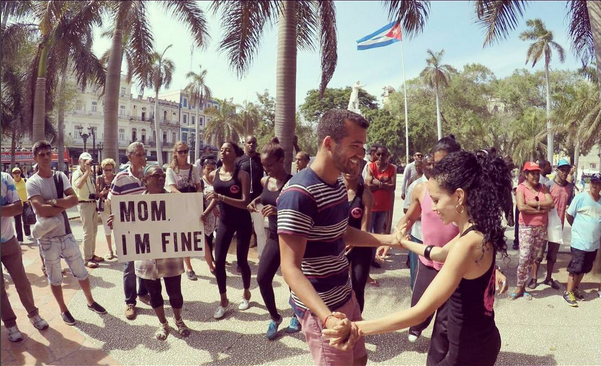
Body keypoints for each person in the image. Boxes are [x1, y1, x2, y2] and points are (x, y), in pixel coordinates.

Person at [325, 150, 512, 366]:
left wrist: (356, 328)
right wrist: (401, 242)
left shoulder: (466, 244)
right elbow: (438, 253)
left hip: (467, 353)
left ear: (459, 196)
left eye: (436, 200)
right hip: (484, 340)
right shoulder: (475, 232)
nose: (432, 208)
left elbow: (419, 313)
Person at [277, 109, 400, 366]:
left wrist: (389, 240)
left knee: (360, 359)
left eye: (363, 146)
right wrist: (327, 318)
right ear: (329, 143)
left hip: (345, 295)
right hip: (323, 310)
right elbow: (289, 268)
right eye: (355, 145)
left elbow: (341, 232)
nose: (362, 154)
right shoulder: (298, 193)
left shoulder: (335, 185)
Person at [378, 135, 462, 347]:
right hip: (428, 262)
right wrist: (390, 240)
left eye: (445, 163)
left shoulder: (463, 193)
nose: (439, 168)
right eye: (436, 163)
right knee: (419, 308)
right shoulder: (421, 189)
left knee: (445, 318)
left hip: (454, 264)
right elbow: (408, 218)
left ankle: (439, 349)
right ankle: (417, 325)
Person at [27, 140, 107, 325]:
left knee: (81, 272)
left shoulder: (60, 176)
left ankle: (90, 301)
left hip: (66, 234)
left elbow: (74, 200)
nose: (46, 157)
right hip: (47, 240)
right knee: (55, 277)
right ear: (35, 158)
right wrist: (59, 204)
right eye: (41, 155)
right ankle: (63, 309)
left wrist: (52, 202)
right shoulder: (33, 182)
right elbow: (40, 210)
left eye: (48, 153)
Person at [247, 137, 298, 340]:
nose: (266, 169)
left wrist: (278, 211)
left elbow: (300, 212)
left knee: (293, 280)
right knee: (262, 278)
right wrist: (255, 200)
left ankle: (297, 314)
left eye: (269, 164)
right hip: (274, 237)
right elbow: (265, 196)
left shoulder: (292, 182)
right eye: (263, 165)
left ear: (281, 160)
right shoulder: (265, 181)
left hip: (292, 239)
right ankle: (275, 317)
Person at [133, 165, 191, 339]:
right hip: (147, 257)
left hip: (170, 255)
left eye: (163, 176)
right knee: (154, 293)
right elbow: (128, 229)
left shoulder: (174, 201)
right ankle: (162, 323)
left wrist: (197, 219)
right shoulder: (134, 204)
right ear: (145, 180)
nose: (161, 179)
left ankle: (178, 320)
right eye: (156, 175)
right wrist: (118, 223)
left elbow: (186, 223)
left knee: (175, 292)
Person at [203, 141, 252, 319]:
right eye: (222, 149)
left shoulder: (242, 175)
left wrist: (221, 196)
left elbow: (245, 202)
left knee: (241, 261)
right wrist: (205, 213)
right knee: (219, 261)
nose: (223, 152)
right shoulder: (213, 174)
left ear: (235, 154)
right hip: (224, 221)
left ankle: (246, 292)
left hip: (242, 221)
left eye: (228, 150)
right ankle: (224, 301)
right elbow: (215, 199)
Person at [2, 171, 49, 342]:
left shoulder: (5, 178)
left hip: (9, 240)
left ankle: (34, 314)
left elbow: (17, 207)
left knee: (22, 282)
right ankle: (10, 324)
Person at [107, 142, 150, 320]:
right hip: (127, 230)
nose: (142, 158)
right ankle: (130, 302)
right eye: (139, 155)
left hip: (146, 228)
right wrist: (113, 217)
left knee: (147, 263)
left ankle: (143, 292)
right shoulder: (121, 178)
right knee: (129, 266)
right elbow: (111, 201)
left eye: (143, 154)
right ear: (130, 157)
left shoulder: (149, 176)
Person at [509, 162, 554, 300]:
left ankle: (524, 287)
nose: (535, 176)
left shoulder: (543, 188)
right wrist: (542, 209)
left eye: (537, 173)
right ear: (526, 174)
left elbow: (551, 203)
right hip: (526, 227)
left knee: (532, 258)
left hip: (541, 227)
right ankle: (519, 287)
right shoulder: (521, 189)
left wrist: (535, 204)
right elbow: (522, 208)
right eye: (532, 173)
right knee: (524, 257)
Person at [531, 159, 574, 290]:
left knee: (552, 255)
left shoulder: (570, 187)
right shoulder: (548, 185)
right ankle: (534, 278)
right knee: (538, 254)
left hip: (557, 226)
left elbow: (571, 205)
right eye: (562, 170)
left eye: (567, 170)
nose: (564, 172)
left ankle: (548, 278)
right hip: (544, 224)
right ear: (557, 170)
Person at [165, 141, 202, 281]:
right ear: (175, 153)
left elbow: (198, 185)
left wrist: (197, 197)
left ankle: (210, 264)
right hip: (179, 207)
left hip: (193, 206)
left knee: (194, 234)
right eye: (180, 151)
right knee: (183, 235)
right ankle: (188, 266)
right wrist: (186, 199)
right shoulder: (171, 170)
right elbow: (172, 188)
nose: (184, 154)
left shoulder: (193, 168)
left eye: (186, 151)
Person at [563, 173, 601, 306]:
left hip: (593, 243)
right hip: (579, 241)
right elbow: (569, 215)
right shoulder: (580, 198)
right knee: (575, 268)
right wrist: (578, 229)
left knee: (585, 268)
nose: (595, 185)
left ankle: (575, 289)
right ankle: (568, 292)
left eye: (598, 183)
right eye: (593, 182)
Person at [342, 157, 374, 312]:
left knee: (358, 286)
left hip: (361, 246)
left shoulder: (365, 194)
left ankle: (357, 323)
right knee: (338, 287)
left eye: (355, 167)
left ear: (360, 169)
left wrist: (354, 242)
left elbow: (365, 226)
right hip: (339, 245)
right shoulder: (334, 191)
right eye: (348, 166)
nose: (350, 170)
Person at [365, 146, 397, 272]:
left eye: (383, 154)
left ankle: (373, 258)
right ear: (375, 154)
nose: (380, 157)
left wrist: (377, 183)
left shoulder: (392, 168)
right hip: (372, 206)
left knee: (378, 234)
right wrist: (384, 185)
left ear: (387, 155)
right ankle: (366, 259)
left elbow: (393, 186)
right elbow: (368, 185)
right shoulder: (371, 167)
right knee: (368, 234)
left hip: (384, 206)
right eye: (378, 154)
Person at [72, 152, 103, 268]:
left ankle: (92, 254)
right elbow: (79, 185)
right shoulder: (77, 173)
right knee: (87, 232)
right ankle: (87, 258)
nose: (86, 163)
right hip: (84, 205)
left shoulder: (88, 174)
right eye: (84, 161)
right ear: (80, 161)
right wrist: (87, 171)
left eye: (88, 161)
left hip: (92, 204)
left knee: (94, 231)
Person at [402, 157, 428, 291]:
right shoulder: (415, 186)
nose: (432, 167)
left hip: (436, 240)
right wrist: (426, 216)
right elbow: (406, 210)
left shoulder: (446, 185)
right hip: (418, 235)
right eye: (429, 164)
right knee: (416, 273)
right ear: (423, 166)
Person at [199, 158, 219, 273]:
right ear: (203, 169)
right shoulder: (201, 182)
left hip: (220, 214)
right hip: (207, 214)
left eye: (213, 169)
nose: (210, 171)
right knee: (208, 238)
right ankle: (210, 261)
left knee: (219, 238)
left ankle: (218, 258)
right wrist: (210, 210)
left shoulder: (217, 180)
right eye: (208, 169)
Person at [96, 158, 117, 260]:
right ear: (102, 169)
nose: (108, 172)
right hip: (104, 205)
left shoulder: (116, 178)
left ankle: (119, 249)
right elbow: (97, 194)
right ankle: (110, 251)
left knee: (118, 227)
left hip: (115, 205)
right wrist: (103, 193)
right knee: (107, 228)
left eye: (110, 169)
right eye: (105, 169)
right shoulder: (99, 179)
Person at [11, 167, 33, 244]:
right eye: (15, 173)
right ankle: (19, 238)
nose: (16, 174)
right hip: (16, 204)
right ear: (12, 174)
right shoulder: (11, 183)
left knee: (26, 219)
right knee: (17, 222)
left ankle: (28, 234)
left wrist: (30, 200)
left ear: (20, 173)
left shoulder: (25, 181)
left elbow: (30, 190)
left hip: (25, 203)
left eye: (18, 172)